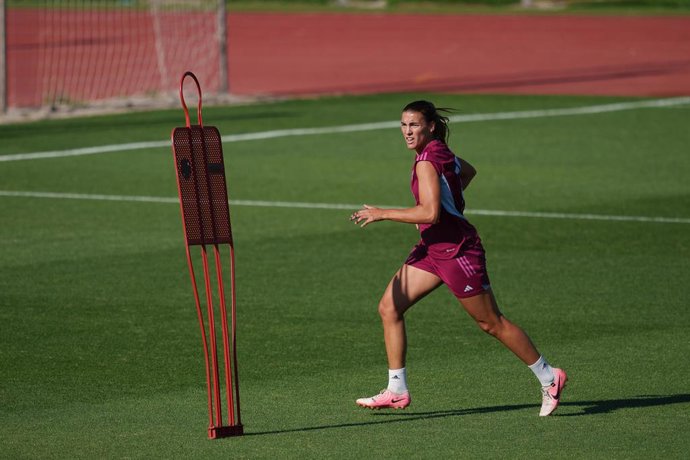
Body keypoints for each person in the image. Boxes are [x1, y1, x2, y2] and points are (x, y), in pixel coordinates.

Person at [350, 100, 567, 416]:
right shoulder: (440, 152)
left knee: (491, 323)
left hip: (456, 251)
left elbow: (430, 212)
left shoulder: (426, 161)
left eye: (414, 125)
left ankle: (549, 377)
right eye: (403, 125)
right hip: (432, 250)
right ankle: (396, 389)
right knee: (390, 307)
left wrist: (383, 213)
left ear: (430, 127)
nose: (407, 131)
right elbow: (467, 171)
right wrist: (452, 199)